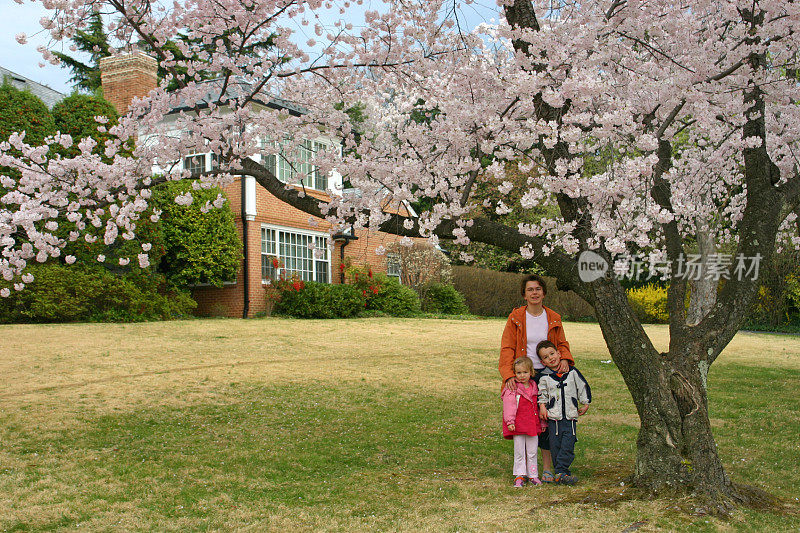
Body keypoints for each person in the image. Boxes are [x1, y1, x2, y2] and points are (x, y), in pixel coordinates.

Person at [499, 274, 573, 483]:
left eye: (538, 289)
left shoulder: (553, 317)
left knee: (548, 421)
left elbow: (562, 343)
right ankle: (524, 469)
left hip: (549, 374)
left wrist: (565, 358)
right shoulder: (515, 317)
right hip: (524, 376)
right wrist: (509, 376)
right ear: (524, 294)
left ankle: (548, 469)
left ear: (544, 293)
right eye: (530, 289)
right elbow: (507, 348)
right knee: (526, 422)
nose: (534, 293)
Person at [536, 340, 591, 485]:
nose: (551, 358)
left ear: (559, 354)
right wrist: (542, 406)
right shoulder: (544, 377)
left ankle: (562, 470)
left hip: (570, 416)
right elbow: (542, 394)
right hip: (554, 417)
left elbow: (582, 387)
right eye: (546, 357)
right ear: (543, 362)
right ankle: (560, 471)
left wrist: (585, 403)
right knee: (555, 445)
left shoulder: (572, 373)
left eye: (552, 354)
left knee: (568, 443)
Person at [502, 357, 544, 487]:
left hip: (532, 424)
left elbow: (537, 407)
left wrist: (542, 423)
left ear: (531, 372)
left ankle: (533, 475)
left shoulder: (534, 386)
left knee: (532, 451)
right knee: (519, 451)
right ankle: (519, 475)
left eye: (525, 372)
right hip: (518, 424)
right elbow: (509, 405)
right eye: (518, 373)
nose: (522, 376)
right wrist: (510, 421)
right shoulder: (513, 388)